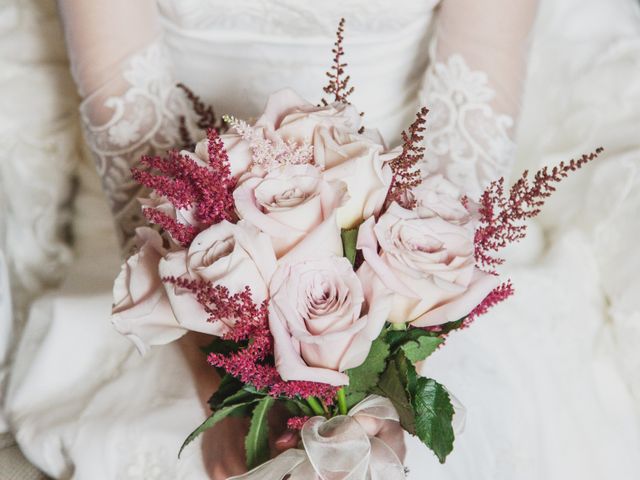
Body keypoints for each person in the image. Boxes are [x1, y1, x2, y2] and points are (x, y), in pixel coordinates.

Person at [3, 0, 640, 478]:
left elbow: (474, 90)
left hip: (406, 206)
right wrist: (212, 360)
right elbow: (124, 92)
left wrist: (389, 344)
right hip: (172, 225)